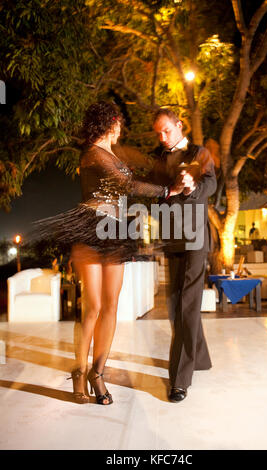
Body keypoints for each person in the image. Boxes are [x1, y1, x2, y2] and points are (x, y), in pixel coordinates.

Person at [62, 101, 186, 405]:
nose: (120, 130)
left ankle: (98, 372)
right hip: (90, 232)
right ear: (111, 123)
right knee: (92, 307)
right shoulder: (92, 153)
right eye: (118, 124)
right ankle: (79, 371)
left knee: (111, 307)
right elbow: (125, 183)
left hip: (115, 233)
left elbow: (139, 170)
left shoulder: (115, 154)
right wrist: (169, 191)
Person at [152, 108, 217, 403]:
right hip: (171, 237)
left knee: (188, 304)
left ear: (179, 125)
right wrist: (169, 190)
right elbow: (150, 192)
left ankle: (180, 379)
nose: (162, 137)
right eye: (158, 133)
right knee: (174, 303)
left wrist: (192, 188)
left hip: (195, 237)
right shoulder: (156, 156)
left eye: (166, 130)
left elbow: (211, 184)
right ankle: (200, 357)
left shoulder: (199, 152)